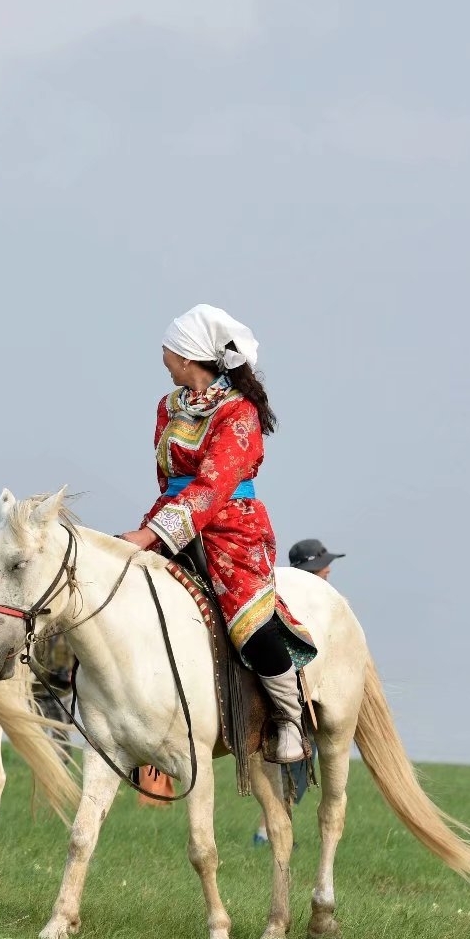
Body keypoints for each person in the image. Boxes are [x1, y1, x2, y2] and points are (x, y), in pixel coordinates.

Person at [117, 305, 317, 765]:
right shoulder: (167, 408)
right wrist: (148, 532)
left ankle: (290, 721)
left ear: (187, 357)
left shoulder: (239, 413)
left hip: (231, 527)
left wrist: (150, 535)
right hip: (174, 515)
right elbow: (171, 481)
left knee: (248, 622)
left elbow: (213, 486)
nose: (162, 358)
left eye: (167, 350)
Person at [250, 538, 343, 843]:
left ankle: (271, 830)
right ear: (314, 568)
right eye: (324, 567)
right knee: (293, 768)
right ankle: (266, 833)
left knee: (296, 770)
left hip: (297, 698)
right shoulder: (305, 606)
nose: (329, 570)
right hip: (298, 700)